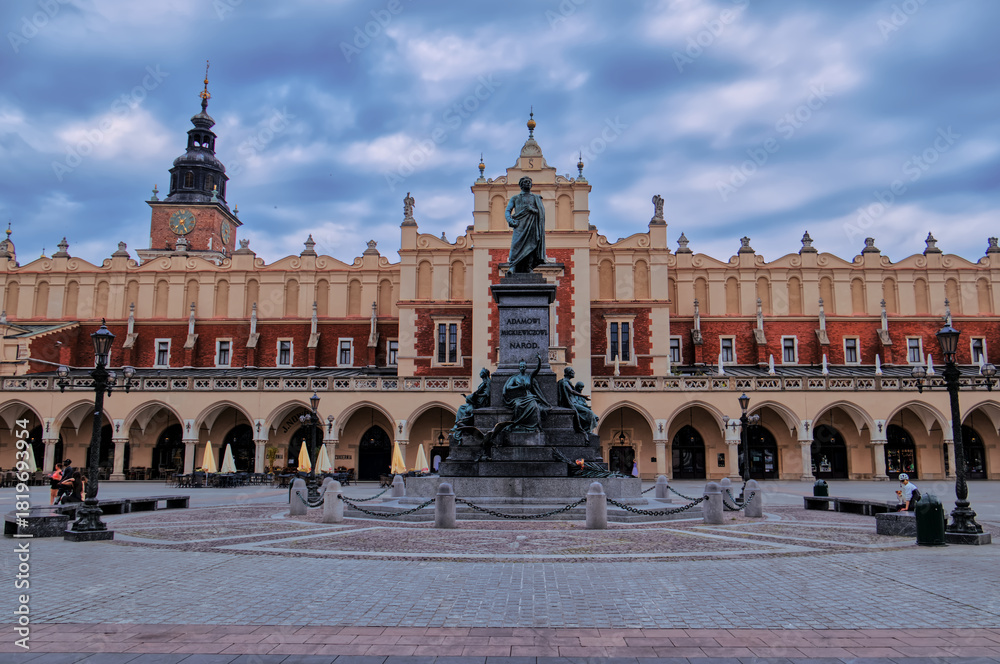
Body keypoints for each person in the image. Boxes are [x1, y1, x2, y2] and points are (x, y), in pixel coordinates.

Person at [504, 176, 546, 274]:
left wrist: (532, 210)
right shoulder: (515, 198)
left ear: (531, 185)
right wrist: (510, 220)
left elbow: (541, 213)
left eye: (529, 182)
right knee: (515, 245)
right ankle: (512, 266)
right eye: (525, 182)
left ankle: (529, 267)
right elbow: (508, 210)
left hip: (532, 225)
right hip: (519, 226)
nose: (527, 183)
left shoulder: (536, 198)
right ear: (521, 185)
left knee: (531, 247)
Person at [502, 355, 549, 432]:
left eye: (524, 366)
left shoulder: (529, 376)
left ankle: (533, 426)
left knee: (535, 406)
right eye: (521, 366)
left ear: (526, 367)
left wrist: (539, 360)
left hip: (529, 396)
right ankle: (518, 424)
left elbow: (537, 370)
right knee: (518, 405)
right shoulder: (515, 377)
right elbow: (508, 387)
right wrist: (518, 387)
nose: (522, 367)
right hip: (518, 397)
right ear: (519, 367)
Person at [451, 368, 491, 445]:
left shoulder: (487, 383)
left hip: (481, 402)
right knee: (462, 407)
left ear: (484, 374)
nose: (480, 374)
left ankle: (461, 423)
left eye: (481, 372)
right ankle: (459, 423)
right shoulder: (484, 383)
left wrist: (475, 396)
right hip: (477, 401)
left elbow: (487, 395)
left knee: (465, 408)